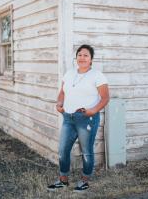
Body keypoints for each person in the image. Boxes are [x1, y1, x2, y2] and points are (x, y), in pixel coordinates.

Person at [47, 44, 110, 192]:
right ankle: (63, 180)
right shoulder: (69, 73)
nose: (82, 57)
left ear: (91, 59)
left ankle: (85, 180)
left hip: (86, 118)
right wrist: (59, 103)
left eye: (86, 55)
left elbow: (105, 98)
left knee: (86, 151)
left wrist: (92, 111)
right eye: (80, 54)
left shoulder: (97, 75)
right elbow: (62, 92)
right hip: (68, 118)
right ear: (76, 57)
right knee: (63, 150)